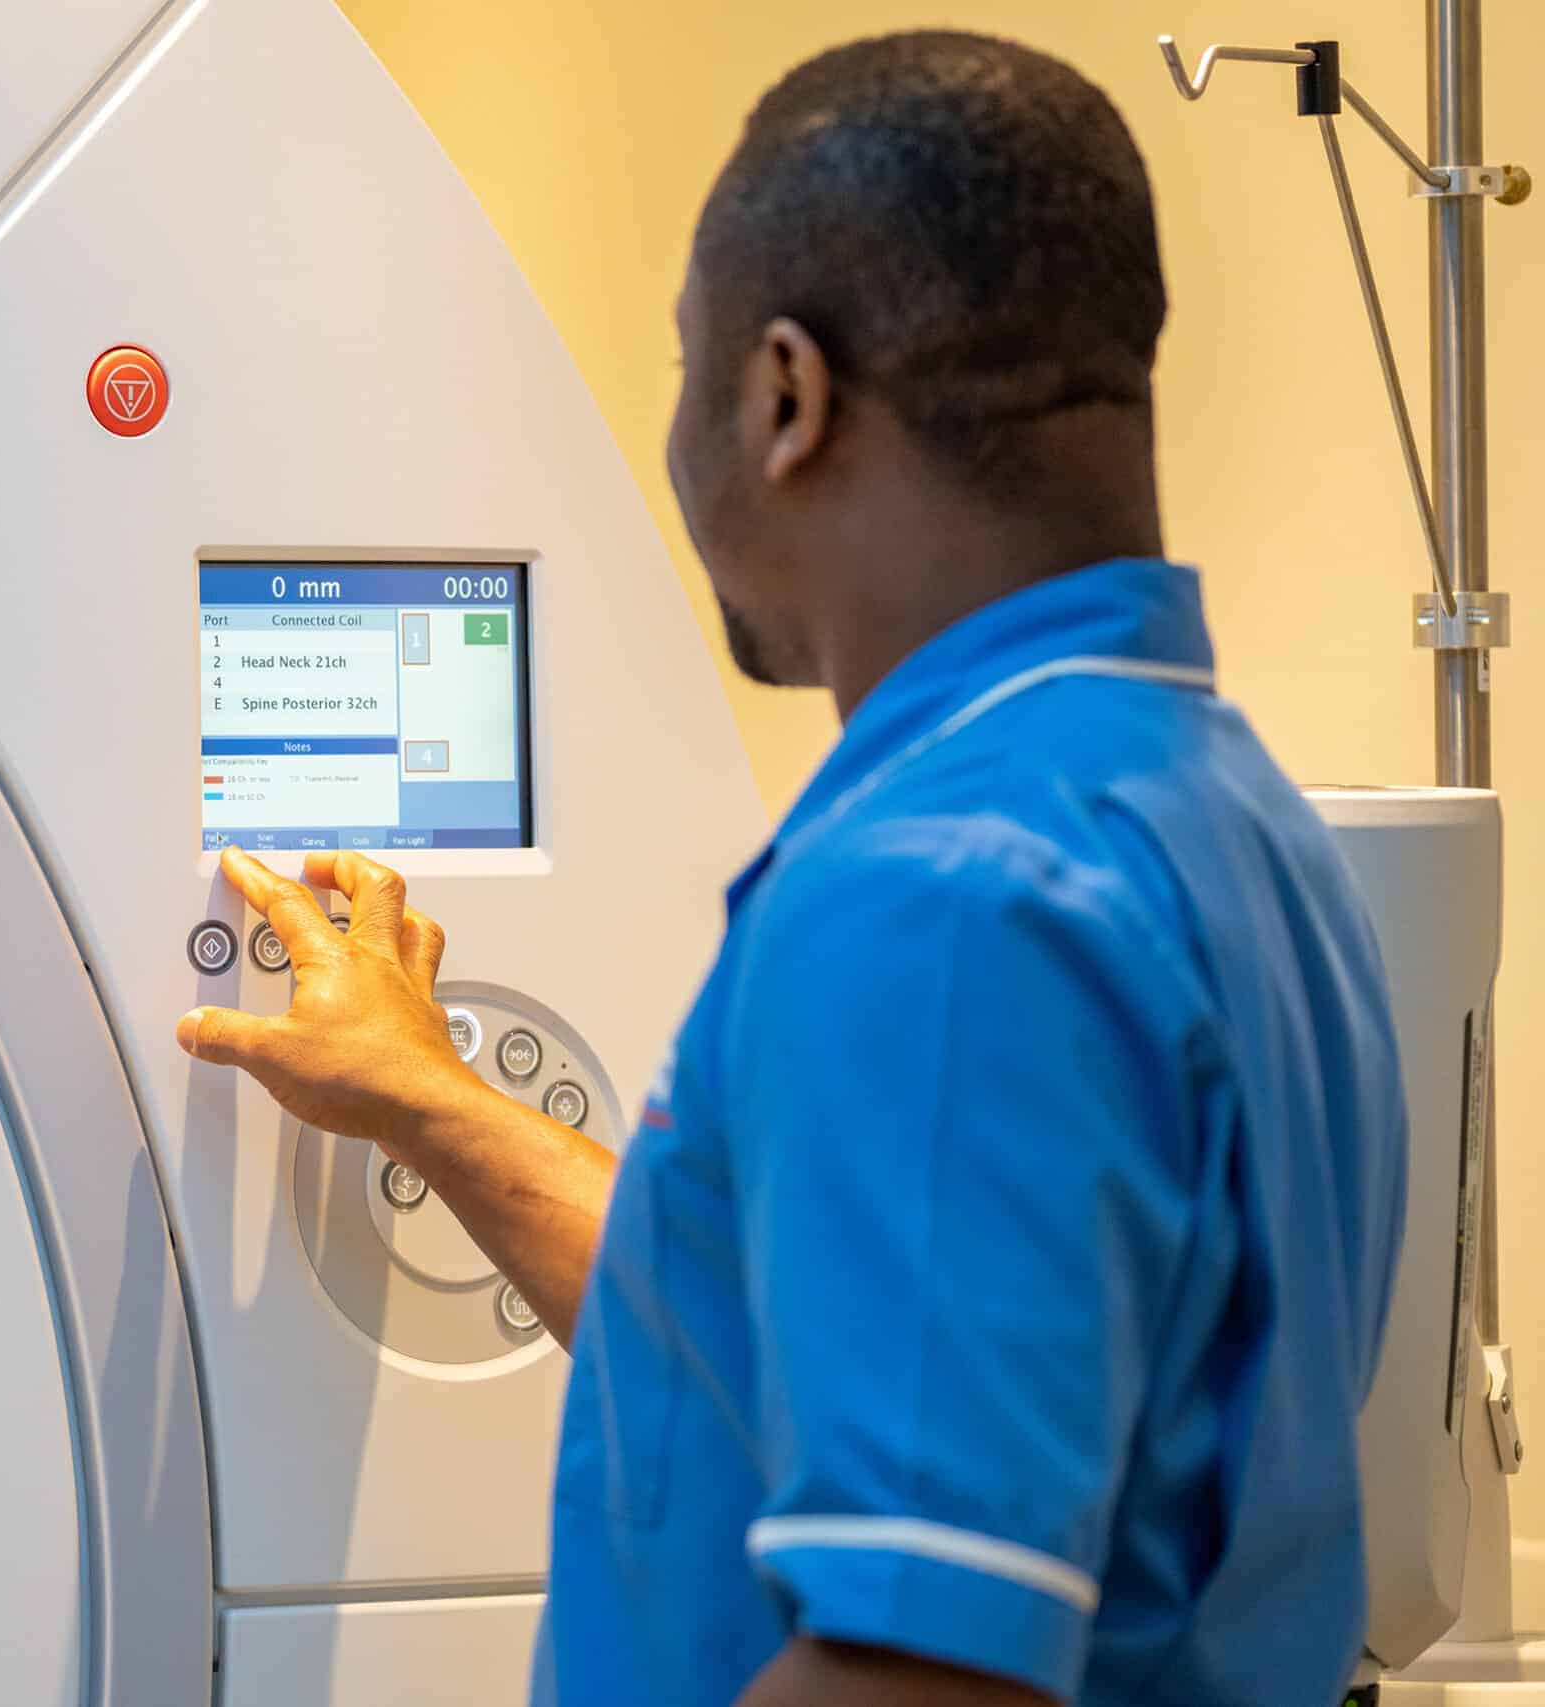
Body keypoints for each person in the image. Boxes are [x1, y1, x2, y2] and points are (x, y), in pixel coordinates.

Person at [177, 30, 1408, 1707]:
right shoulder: (1229, 823)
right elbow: (803, 1339)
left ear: (782, 395)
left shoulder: (946, 900)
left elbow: (923, 1676)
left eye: (680, 377)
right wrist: (431, 1100)